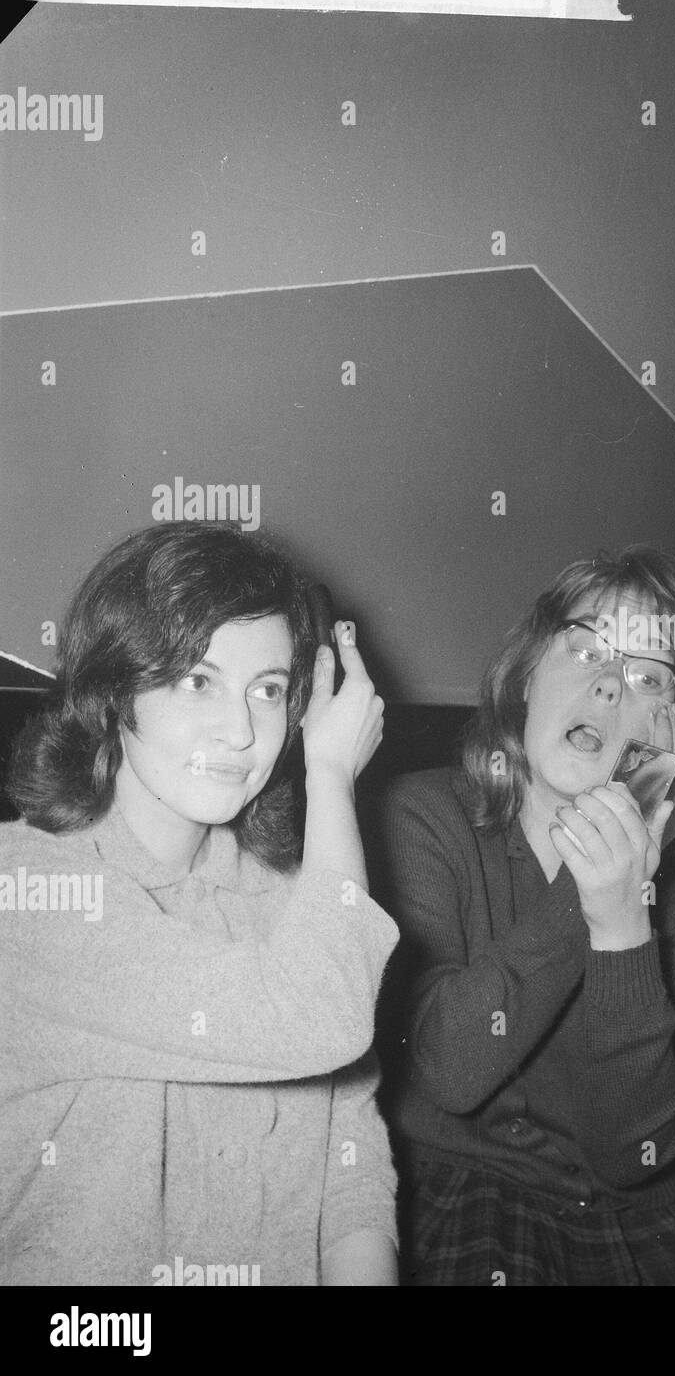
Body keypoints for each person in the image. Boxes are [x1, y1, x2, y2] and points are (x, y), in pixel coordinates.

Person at [0, 522, 398, 1286]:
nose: (242, 729)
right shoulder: (30, 894)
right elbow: (319, 1017)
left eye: (270, 690)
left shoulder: (297, 905)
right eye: (198, 680)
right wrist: (333, 781)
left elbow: (350, 1167)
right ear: (115, 690)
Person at [379, 547, 675, 1286]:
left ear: (673, 735)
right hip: (453, 1190)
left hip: (630, 1224)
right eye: (584, 650)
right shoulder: (424, 816)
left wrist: (621, 923)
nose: (609, 685)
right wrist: (587, 891)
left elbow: (628, 1152)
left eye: (648, 676)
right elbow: (448, 1072)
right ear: (525, 678)